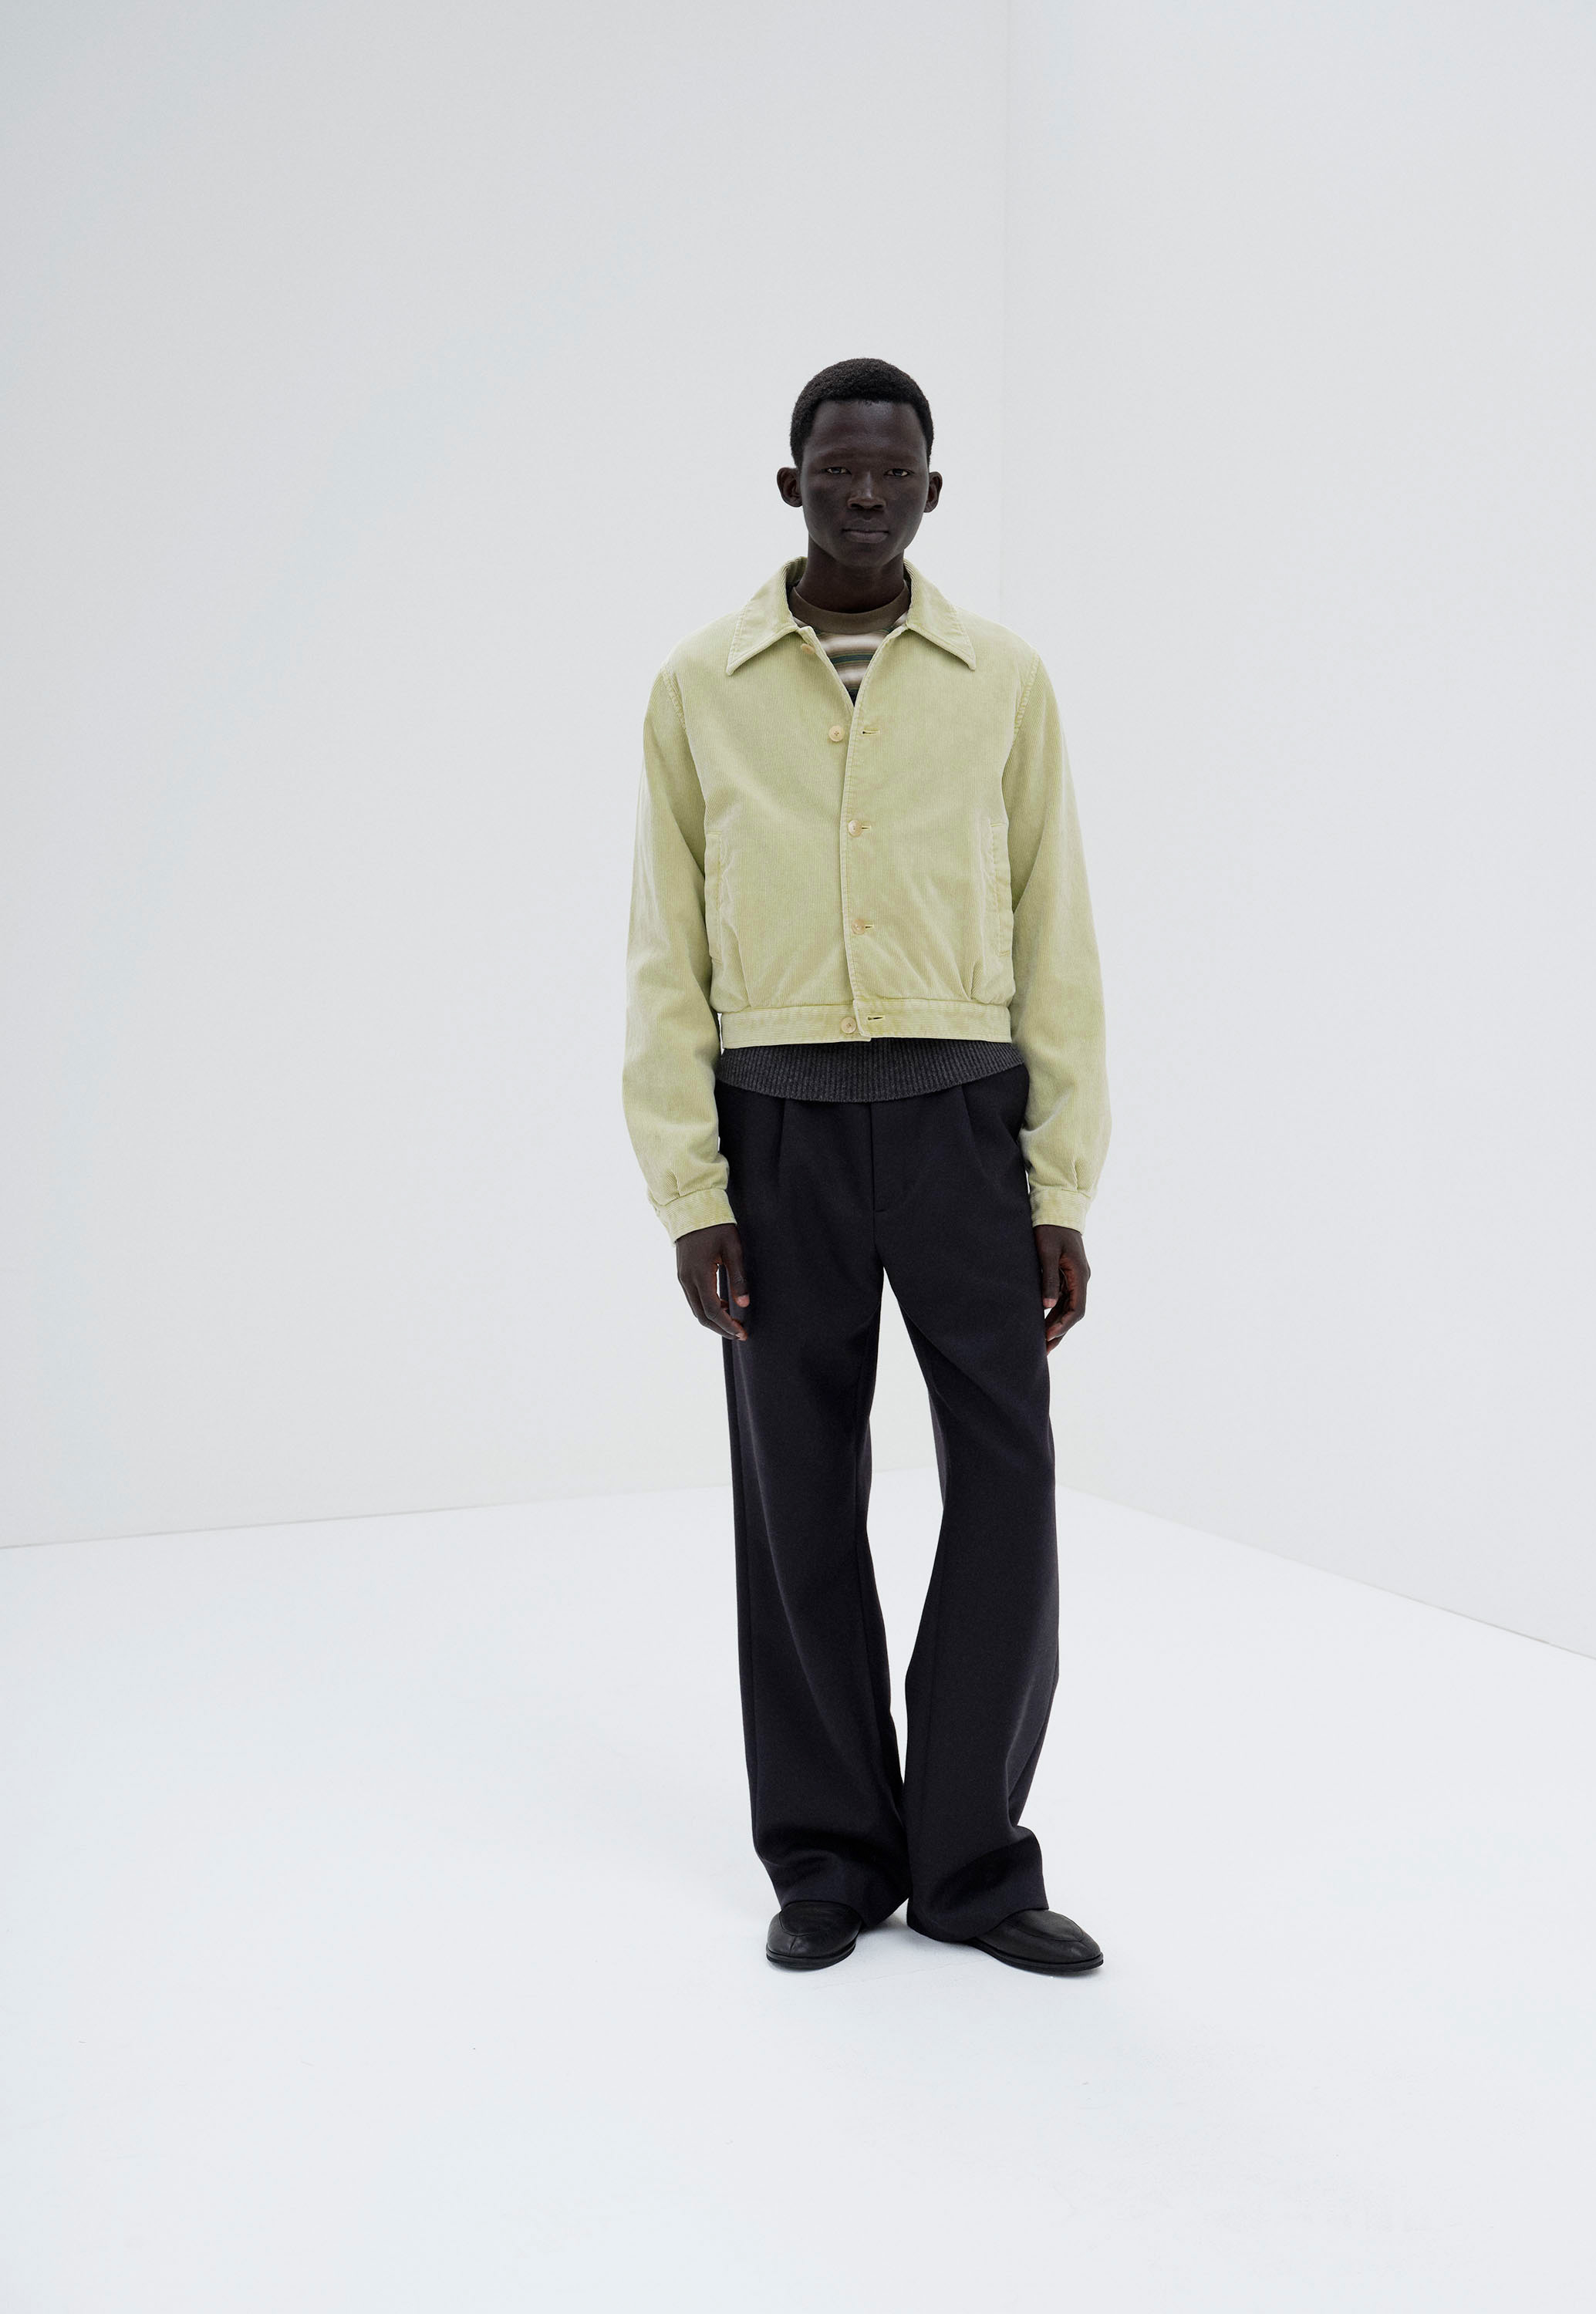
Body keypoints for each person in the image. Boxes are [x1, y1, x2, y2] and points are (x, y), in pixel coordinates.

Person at [622, 356, 1111, 1975]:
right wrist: (693, 1192)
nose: (863, 494)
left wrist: (1058, 1185)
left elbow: (1056, 935)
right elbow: (663, 952)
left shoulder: (1003, 682)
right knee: (798, 1498)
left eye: (893, 473)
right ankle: (830, 1857)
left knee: (1008, 1485)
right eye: (836, 469)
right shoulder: (700, 687)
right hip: (779, 1143)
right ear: (791, 486)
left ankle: (972, 1864)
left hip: (968, 1129)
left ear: (931, 493)